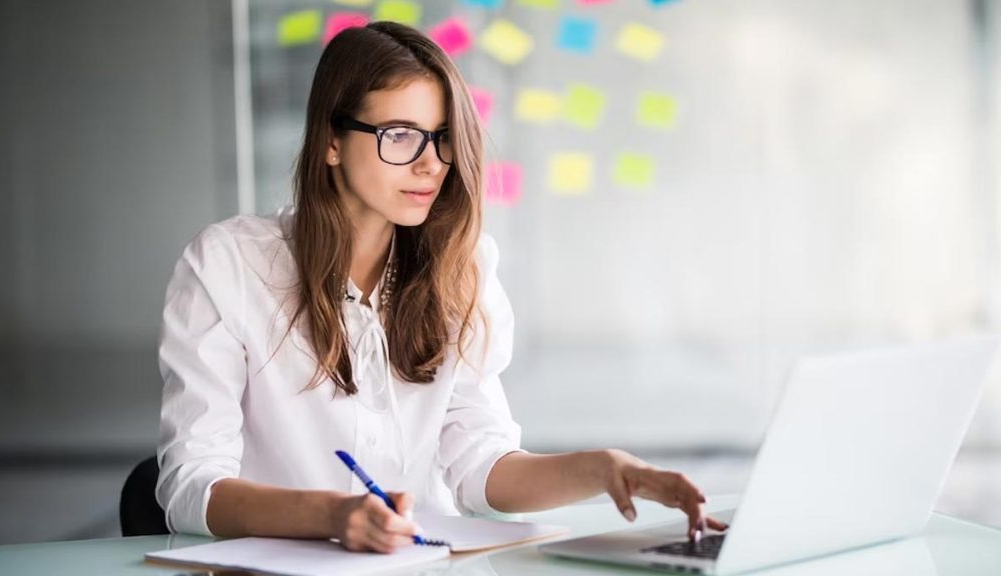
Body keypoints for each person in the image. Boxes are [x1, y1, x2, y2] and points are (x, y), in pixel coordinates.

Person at [156, 21, 726, 554]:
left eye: (444, 137)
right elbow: (190, 487)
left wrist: (605, 469)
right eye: (400, 136)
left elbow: (483, 469)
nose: (432, 164)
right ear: (332, 141)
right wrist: (333, 516)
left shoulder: (461, 266)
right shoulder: (228, 266)